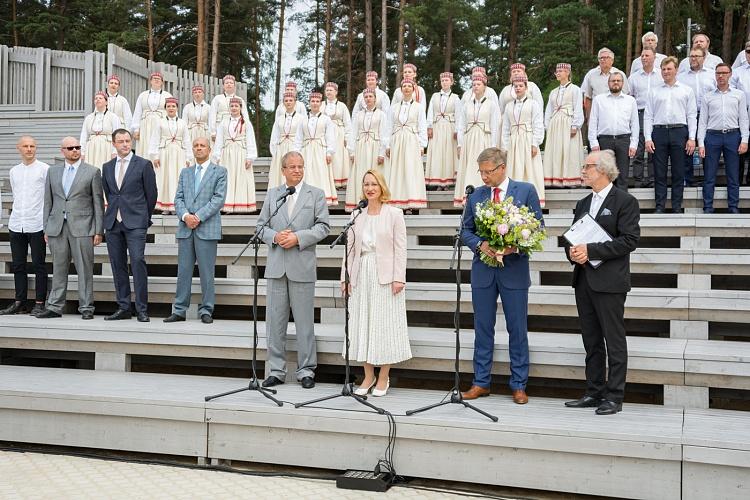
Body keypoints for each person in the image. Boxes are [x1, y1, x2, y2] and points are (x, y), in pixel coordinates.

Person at [460, 147, 543, 404]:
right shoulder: (476, 196)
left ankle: (518, 384)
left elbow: (538, 228)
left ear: (502, 168)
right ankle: (480, 382)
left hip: (514, 270)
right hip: (483, 270)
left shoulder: (526, 190)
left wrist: (515, 244)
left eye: (488, 172)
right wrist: (479, 245)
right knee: (482, 328)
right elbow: (465, 231)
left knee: (517, 328)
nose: (484, 177)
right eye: (481, 172)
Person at [565, 150, 640, 415]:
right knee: (591, 340)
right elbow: (573, 237)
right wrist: (573, 252)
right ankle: (593, 392)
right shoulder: (583, 202)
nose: (583, 171)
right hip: (584, 279)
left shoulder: (625, 201)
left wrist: (591, 251)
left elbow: (629, 240)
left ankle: (614, 396)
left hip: (610, 282)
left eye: (588, 166)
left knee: (614, 340)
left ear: (604, 170)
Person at [259, 151, 331, 389]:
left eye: (300, 166)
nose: (297, 170)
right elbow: (260, 227)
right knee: (275, 323)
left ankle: (306, 370)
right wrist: (275, 236)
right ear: (283, 170)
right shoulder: (273, 195)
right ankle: (276, 370)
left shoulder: (316, 195)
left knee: (304, 323)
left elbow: (323, 227)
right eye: (292, 167)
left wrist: (298, 238)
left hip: (302, 266)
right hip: (277, 267)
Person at [342, 170, 411, 397]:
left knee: (384, 326)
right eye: (366, 184)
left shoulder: (394, 214)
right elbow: (349, 250)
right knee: (363, 324)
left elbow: (401, 249)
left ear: (381, 187)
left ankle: (383, 377)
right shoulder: (356, 215)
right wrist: (346, 277)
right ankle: (368, 375)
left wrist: (399, 277)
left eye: (374, 184)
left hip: (386, 276)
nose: (370, 188)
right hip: (361, 273)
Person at [37, 137, 104, 320]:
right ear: (63, 151)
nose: (75, 150)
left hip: (83, 227)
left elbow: (98, 203)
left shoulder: (92, 172)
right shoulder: (53, 172)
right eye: (71, 148)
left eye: (77, 147)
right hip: (57, 227)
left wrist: (99, 231)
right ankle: (55, 306)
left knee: (84, 269)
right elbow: (48, 201)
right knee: (58, 267)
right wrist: (46, 228)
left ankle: (86, 307)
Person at [164, 137, 227, 324]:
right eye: (196, 146)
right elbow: (178, 199)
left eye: (202, 146)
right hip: (186, 228)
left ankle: (207, 309)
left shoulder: (220, 172)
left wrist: (197, 217)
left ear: (209, 149)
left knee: (207, 272)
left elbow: (218, 199)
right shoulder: (185, 172)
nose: (199, 149)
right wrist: (185, 217)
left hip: (206, 227)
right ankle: (179, 309)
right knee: (183, 271)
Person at [101, 129, 158, 322]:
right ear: (114, 143)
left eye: (127, 141)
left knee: (137, 261)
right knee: (117, 266)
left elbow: (151, 195)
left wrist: (143, 217)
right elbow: (110, 194)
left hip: (136, 222)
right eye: (121, 141)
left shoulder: (143, 164)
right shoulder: (107, 167)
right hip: (113, 223)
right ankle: (124, 307)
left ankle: (142, 309)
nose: (125, 144)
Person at [1, 136, 49, 317]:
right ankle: (19, 302)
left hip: (36, 223)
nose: (29, 149)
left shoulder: (45, 169)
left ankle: (39, 303)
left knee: (39, 265)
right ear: (18, 148)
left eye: (32, 146)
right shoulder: (14, 171)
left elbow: (48, 197)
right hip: (16, 223)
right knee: (18, 265)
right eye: (26, 146)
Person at [645, 57, 697, 213]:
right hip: (659, 132)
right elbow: (648, 116)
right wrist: (648, 138)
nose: (666, 72)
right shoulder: (654, 91)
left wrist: (692, 138)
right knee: (659, 172)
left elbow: (692, 115)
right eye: (663, 69)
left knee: (678, 171)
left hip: (679, 131)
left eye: (669, 69)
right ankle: (659, 206)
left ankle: (676, 206)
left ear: (676, 70)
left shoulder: (686, 90)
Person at [698, 64, 749, 214]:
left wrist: (744, 140)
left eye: (724, 73)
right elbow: (703, 122)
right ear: (715, 75)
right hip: (712, 136)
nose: (721, 76)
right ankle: (707, 206)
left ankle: (733, 206)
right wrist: (701, 143)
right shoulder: (708, 97)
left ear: (730, 74)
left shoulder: (739, 95)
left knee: (733, 174)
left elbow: (744, 119)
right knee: (709, 175)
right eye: (718, 73)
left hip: (733, 135)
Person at [454, 74, 500, 207]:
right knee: (469, 166)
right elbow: (461, 125)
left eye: (478, 84)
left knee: (483, 165)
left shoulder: (491, 105)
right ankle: (467, 196)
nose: (475, 87)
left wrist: (493, 146)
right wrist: (460, 144)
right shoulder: (467, 105)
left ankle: (484, 196)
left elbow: (495, 125)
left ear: (484, 86)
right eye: (473, 84)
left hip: (483, 139)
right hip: (469, 140)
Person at [588, 72, 639, 191]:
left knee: (622, 176)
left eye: (618, 80)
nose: (616, 82)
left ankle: (621, 206)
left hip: (624, 140)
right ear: (608, 83)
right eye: (613, 80)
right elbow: (593, 122)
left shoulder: (630, 100)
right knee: (604, 175)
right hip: (604, 140)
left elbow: (635, 124)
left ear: (622, 83)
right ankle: (606, 206)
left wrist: (633, 144)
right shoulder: (599, 100)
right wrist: (594, 143)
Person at [502, 76, 546, 207]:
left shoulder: (533, 104)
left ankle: (532, 199)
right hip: (514, 140)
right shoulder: (509, 106)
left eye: (521, 86)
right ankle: (514, 199)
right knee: (514, 168)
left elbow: (538, 124)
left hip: (527, 139)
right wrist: (505, 146)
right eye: (515, 86)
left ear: (526, 87)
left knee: (530, 169)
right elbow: (505, 127)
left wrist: (535, 143)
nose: (518, 88)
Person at [385, 78, 428, 210]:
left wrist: (422, 145)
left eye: (409, 86)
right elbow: (388, 127)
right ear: (401, 89)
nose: (407, 88)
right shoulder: (394, 108)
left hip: (411, 140)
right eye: (404, 86)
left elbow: (422, 126)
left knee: (411, 169)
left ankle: (412, 202)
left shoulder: (419, 107)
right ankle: (397, 201)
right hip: (397, 140)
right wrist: (387, 145)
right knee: (397, 170)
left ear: (413, 89)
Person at [677, 46, 717, 187]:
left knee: (709, 147)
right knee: (687, 148)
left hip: (709, 116)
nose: (693, 58)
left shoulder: (712, 75)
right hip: (688, 116)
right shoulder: (681, 77)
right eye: (691, 56)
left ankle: (708, 180)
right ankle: (688, 180)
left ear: (704, 58)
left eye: (697, 56)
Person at [213, 97, 258, 214]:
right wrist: (217, 156)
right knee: (228, 179)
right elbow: (219, 140)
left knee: (241, 178)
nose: (234, 108)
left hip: (241, 153)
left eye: (236, 106)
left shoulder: (246, 123)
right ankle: (226, 205)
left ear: (240, 108)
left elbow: (250, 140)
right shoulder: (224, 122)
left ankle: (240, 205)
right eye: (232, 106)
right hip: (227, 154)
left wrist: (250, 157)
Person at [543, 63, 584, 188]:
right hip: (555, 124)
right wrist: (547, 126)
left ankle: (570, 179)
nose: (558, 73)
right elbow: (549, 110)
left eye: (561, 71)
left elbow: (578, 107)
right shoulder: (553, 92)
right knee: (556, 150)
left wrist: (575, 125)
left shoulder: (575, 89)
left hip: (568, 122)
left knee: (569, 150)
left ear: (567, 73)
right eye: (557, 71)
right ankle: (555, 179)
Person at [346, 89, 388, 211]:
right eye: (366, 97)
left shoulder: (381, 115)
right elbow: (353, 133)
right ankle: (360, 201)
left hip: (375, 146)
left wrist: (381, 153)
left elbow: (384, 134)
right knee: (360, 173)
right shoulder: (358, 115)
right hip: (361, 147)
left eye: (370, 96)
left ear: (375, 98)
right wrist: (352, 151)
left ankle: (375, 202)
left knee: (374, 174)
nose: (368, 98)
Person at [150, 97, 192, 213]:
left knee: (177, 178)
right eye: (168, 106)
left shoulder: (182, 123)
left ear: (177, 108)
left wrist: (188, 157)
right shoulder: (160, 122)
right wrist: (155, 156)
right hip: (165, 153)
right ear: (165, 108)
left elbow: (187, 140)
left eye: (173, 106)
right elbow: (155, 139)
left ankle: (176, 205)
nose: (171, 108)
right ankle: (165, 206)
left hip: (179, 153)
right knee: (165, 177)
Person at [295, 91, 338, 205]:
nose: (315, 104)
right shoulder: (303, 120)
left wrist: (329, 152)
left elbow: (330, 137)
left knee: (320, 172)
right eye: (312, 101)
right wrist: (296, 153)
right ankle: (306, 198)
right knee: (307, 172)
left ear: (320, 103)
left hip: (320, 150)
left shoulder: (326, 119)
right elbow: (299, 138)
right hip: (306, 150)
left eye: (317, 101)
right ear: (309, 103)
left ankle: (321, 199)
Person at [628, 48, 662, 188]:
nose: (644, 58)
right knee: (640, 147)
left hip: (657, 114)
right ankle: (639, 179)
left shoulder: (661, 75)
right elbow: (629, 97)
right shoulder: (634, 77)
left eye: (647, 55)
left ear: (654, 57)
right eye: (642, 55)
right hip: (640, 113)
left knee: (654, 146)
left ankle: (654, 179)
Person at [425, 72, 461, 190]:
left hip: (449, 128)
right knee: (437, 153)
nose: (445, 82)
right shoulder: (435, 96)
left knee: (448, 153)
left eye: (447, 80)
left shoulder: (455, 97)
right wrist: (429, 126)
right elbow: (430, 111)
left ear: (451, 82)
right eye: (443, 81)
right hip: (437, 127)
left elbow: (459, 115)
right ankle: (438, 181)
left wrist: (457, 130)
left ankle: (447, 182)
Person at [497, 63, 544, 149]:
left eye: (518, 71)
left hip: (527, 123)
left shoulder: (532, 86)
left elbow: (539, 106)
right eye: (513, 71)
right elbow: (501, 108)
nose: (516, 73)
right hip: (509, 123)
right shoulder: (505, 90)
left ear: (524, 73)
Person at [269, 90, 305, 189]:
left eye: (290, 100)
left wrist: (299, 151)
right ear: (283, 102)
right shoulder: (279, 119)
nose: (288, 102)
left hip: (294, 146)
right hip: (281, 147)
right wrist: (274, 151)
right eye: (286, 100)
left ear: (295, 102)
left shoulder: (301, 118)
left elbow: (303, 135)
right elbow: (274, 136)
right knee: (280, 172)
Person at [131, 72, 172, 158]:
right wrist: (136, 129)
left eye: (159, 79)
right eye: (154, 78)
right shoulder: (143, 95)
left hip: (161, 125)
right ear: (150, 81)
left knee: (159, 147)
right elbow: (137, 112)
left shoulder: (167, 96)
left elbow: (172, 111)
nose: (156, 80)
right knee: (145, 148)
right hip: (145, 126)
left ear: (162, 82)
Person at [581, 48, 629, 118]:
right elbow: (588, 97)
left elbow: (626, 96)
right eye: (601, 58)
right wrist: (589, 117)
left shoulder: (620, 74)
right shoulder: (591, 75)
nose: (603, 60)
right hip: (597, 113)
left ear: (612, 60)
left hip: (617, 113)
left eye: (606, 57)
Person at [80, 91, 121, 169]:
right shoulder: (89, 118)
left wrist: (115, 151)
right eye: (96, 98)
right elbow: (84, 135)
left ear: (106, 102)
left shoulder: (113, 117)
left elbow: (117, 135)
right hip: (91, 147)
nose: (98, 100)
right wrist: (82, 152)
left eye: (100, 98)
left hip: (106, 147)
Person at [323, 82, 353, 189]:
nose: (329, 92)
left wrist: (347, 137)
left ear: (336, 92)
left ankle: (339, 182)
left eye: (331, 90)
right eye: (327, 90)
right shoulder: (322, 105)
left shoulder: (342, 106)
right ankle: (328, 181)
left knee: (339, 158)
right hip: (325, 134)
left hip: (339, 134)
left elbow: (347, 123)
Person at [209, 74, 250, 141]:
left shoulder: (240, 100)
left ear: (234, 86)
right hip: (219, 128)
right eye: (226, 83)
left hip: (235, 128)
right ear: (223, 86)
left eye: (231, 83)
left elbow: (245, 116)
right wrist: (213, 132)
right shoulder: (217, 99)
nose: (229, 84)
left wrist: (246, 130)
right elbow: (212, 115)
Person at [731, 41, 750, 184]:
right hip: (740, 114)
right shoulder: (737, 72)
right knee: (739, 150)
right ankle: (736, 182)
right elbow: (730, 91)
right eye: (748, 52)